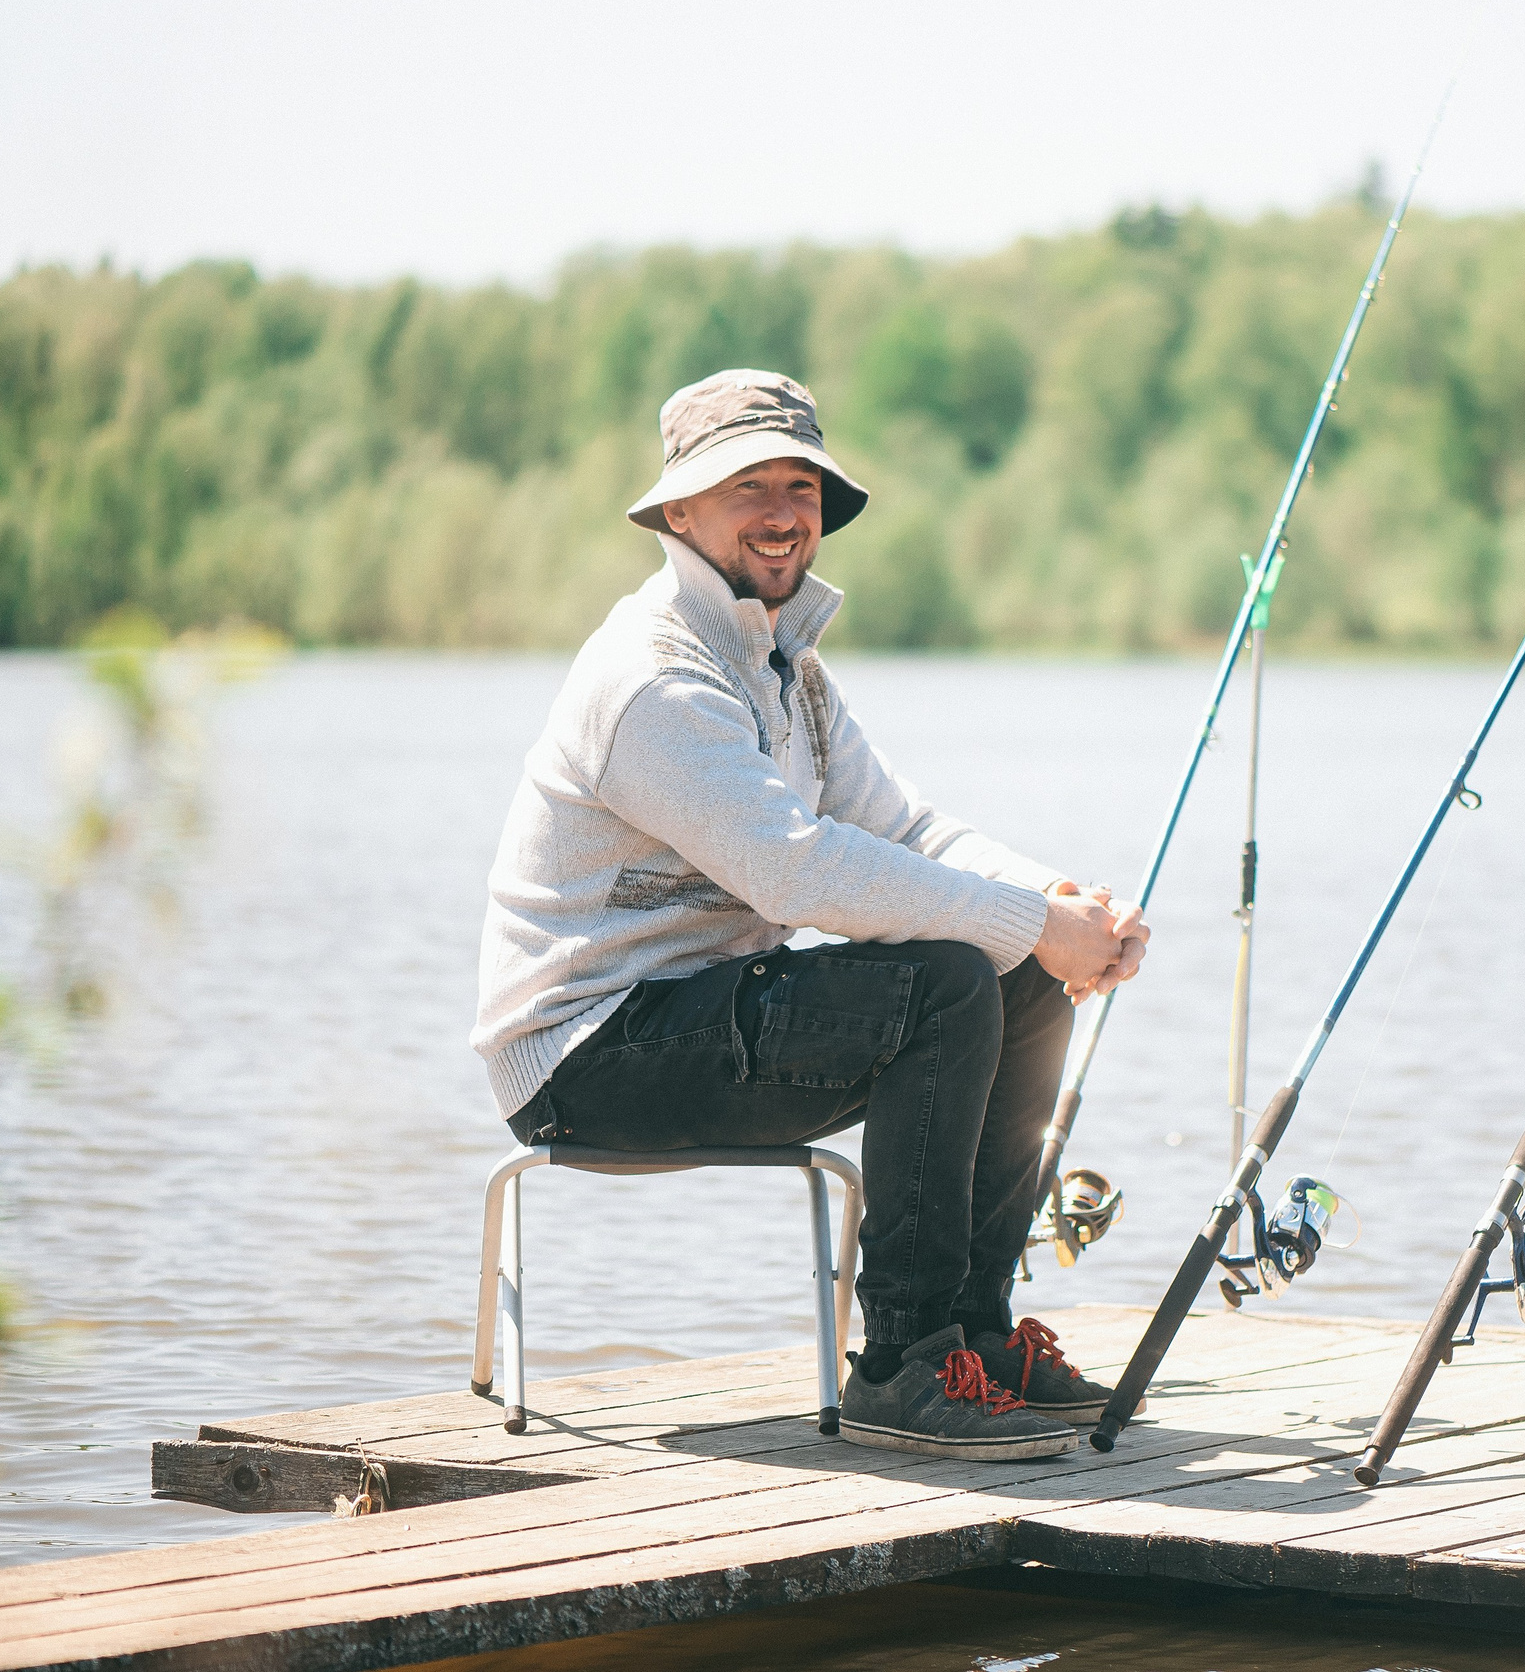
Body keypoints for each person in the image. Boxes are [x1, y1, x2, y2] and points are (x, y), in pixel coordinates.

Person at [472, 369, 1151, 1461]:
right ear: (677, 511)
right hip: (588, 1050)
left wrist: (1061, 905)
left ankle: (973, 1338)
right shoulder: (655, 676)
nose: (786, 510)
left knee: (1010, 969)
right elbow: (794, 872)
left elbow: (905, 828)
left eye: (802, 483)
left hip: (703, 1014)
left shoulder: (786, 669)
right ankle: (902, 1364)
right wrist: (1028, 923)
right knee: (949, 977)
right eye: (749, 485)